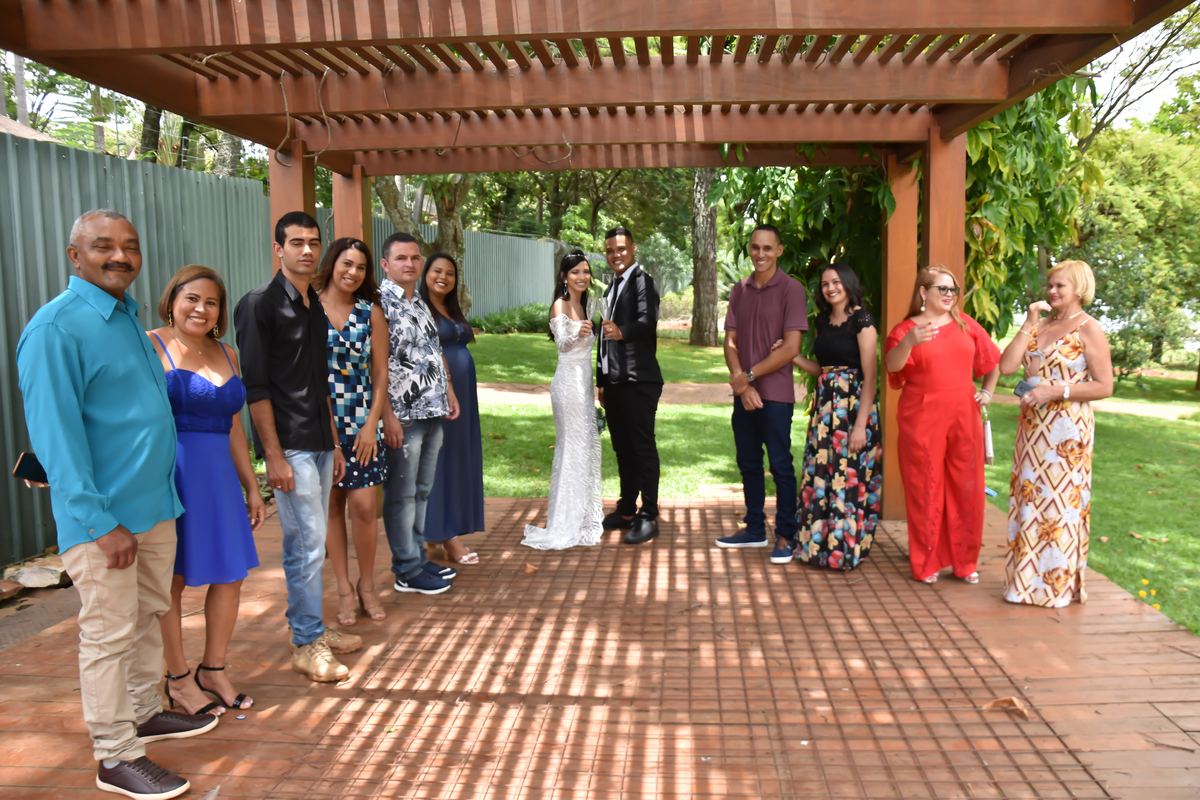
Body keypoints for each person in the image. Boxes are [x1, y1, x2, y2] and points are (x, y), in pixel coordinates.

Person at [17, 210, 216, 800]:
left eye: (130, 246)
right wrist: (101, 523)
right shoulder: (55, 329)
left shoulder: (126, 315)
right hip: (105, 520)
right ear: (74, 255)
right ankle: (115, 754)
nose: (120, 256)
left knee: (148, 614)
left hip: (154, 507)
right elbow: (56, 440)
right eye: (103, 246)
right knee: (107, 635)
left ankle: (143, 711)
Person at [234, 211, 362, 683]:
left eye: (313, 242)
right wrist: (273, 455)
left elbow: (318, 381)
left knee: (311, 543)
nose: (307, 250)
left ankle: (310, 628)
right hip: (289, 445)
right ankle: (307, 643)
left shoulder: (312, 306)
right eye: (296, 242)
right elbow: (256, 388)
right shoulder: (258, 305)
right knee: (307, 545)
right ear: (278, 249)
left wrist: (335, 442)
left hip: (320, 441)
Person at [149, 266, 265, 718]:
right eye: (192, 299)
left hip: (219, 477)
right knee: (172, 578)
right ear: (172, 300)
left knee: (231, 574)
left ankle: (213, 669)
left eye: (211, 302)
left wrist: (251, 485)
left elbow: (234, 426)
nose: (201, 309)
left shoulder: (227, 352)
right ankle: (177, 678)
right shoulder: (151, 344)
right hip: (174, 472)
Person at [999, 260, 1113, 607]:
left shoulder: (1090, 328)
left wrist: (1057, 391)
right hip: (1032, 430)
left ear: (1079, 288)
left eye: (1060, 285)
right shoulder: (1039, 325)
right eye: (1050, 284)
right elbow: (1006, 367)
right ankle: (1023, 585)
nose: (1051, 291)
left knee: (1060, 504)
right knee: (1030, 500)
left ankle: (1054, 589)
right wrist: (1027, 323)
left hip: (1067, 433)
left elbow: (1104, 386)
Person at [885, 265, 1001, 584]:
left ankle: (965, 562)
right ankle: (926, 563)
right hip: (922, 413)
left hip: (965, 411)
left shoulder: (966, 324)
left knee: (968, 486)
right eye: (943, 289)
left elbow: (992, 361)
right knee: (925, 486)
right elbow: (892, 366)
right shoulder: (907, 329)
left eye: (953, 289)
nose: (950, 294)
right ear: (924, 292)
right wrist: (909, 342)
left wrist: (988, 392)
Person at [314, 238, 396, 625]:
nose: (353, 272)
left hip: (362, 422)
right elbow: (310, 374)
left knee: (363, 507)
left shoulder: (370, 312)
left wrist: (371, 424)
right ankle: (343, 587)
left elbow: (380, 372)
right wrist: (331, 438)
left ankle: (367, 585)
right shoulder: (309, 308)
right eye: (347, 264)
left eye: (361, 267)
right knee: (332, 505)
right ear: (332, 264)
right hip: (322, 422)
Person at [715, 225, 806, 560]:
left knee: (780, 465)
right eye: (755, 247)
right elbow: (730, 341)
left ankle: (785, 535)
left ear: (779, 251)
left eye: (768, 248)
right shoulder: (740, 290)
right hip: (745, 395)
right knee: (748, 462)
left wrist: (748, 377)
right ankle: (754, 528)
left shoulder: (792, 289)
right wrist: (742, 384)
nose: (760, 254)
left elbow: (791, 347)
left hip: (777, 395)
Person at [378, 234, 461, 595]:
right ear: (386, 264)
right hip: (403, 415)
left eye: (414, 257)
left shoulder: (420, 303)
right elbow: (374, 364)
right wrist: (387, 415)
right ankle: (406, 569)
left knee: (421, 491)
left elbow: (433, 350)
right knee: (401, 494)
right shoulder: (379, 304)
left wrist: (449, 391)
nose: (409, 264)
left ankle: (417, 556)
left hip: (432, 410)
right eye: (401, 258)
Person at [791, 263, 883, 571]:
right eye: (825, 284)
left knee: (847, 476)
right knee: (822, 474)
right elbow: (823, 368)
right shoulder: (822, 320)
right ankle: (817, 548)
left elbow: (870, 377)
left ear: (847, 283)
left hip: (854, 409)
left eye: (835, 282)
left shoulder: (862, 319)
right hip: (825, 410)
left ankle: (842, 552)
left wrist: (860, 427)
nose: (830, 288)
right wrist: (794, 357)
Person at [523, 250, 604, 549]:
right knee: (570, 448)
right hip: (568, 384)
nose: (582, 277)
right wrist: (578, 332)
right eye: (575, 272)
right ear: (564, 277)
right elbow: (562, 344)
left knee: (583, 449)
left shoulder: (585, 305)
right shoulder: (561, 304)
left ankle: (580, 518)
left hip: (584, 384)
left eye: (585, 271)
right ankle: (562, 524)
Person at [596, 227, 664, 545]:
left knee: (642, 448)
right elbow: (602, 338)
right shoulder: (612, 287)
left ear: (633, 249)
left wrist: (622, 331)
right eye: (610, 250)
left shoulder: (642, 282)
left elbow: (648, 321)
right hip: (615, 383)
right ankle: (626, 509)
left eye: (621, 249)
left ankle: (649, 515)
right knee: (622, 449)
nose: (616, 255)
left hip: (639, 380)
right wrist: (601, 381)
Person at [420, 253, 486, 564]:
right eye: (437, 271)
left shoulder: (451, 308)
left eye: (449, 273)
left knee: (458, 457)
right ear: (425, 274)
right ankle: (444, 534)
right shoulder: (420, 308)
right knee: (439, 459)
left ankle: (439, 533)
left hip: (464, 397)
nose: (443, 277)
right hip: (438, 393)